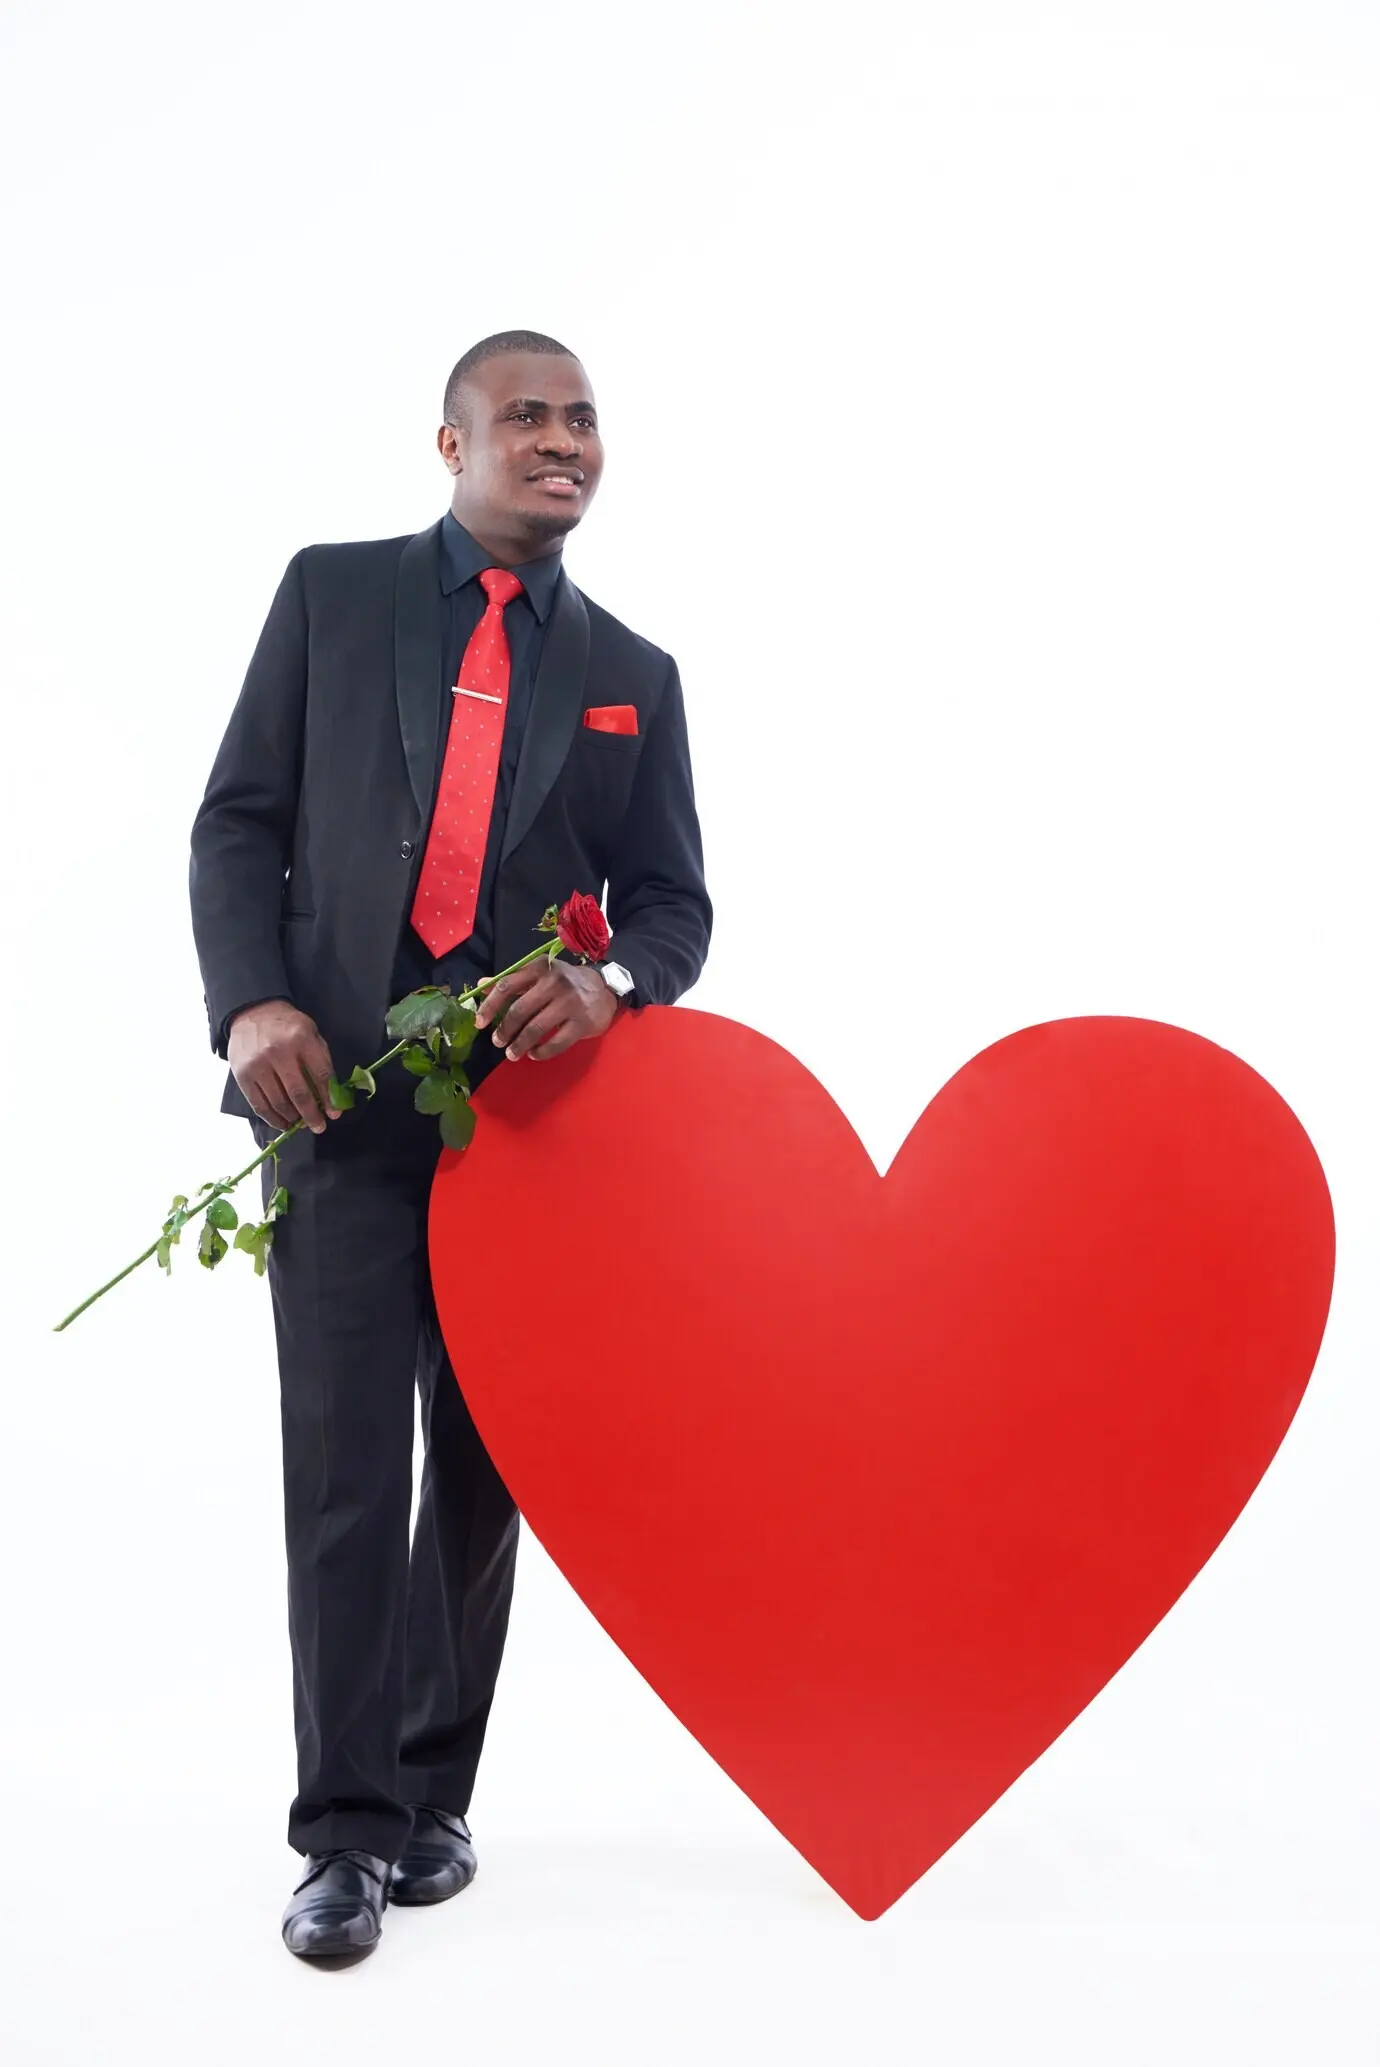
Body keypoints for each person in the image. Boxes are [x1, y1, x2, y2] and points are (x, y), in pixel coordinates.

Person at [188, 329, 712, 1962]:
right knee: (349, 1470)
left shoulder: (635, 674)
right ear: (453, 444)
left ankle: (432, 1798)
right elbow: (239, 821)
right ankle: (341, 1832)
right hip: (334, 1105)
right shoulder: (330, 598)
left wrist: (612, 982)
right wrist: (249, 1003)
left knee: (482, 1476)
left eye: (584, 419)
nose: (563, 440)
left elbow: (674, 905)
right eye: (528, 416)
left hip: (528, 1143)